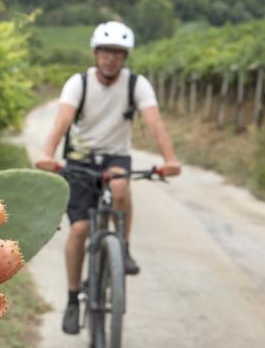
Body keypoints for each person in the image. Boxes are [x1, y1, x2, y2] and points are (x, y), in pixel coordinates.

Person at [34, 21, 182, 334]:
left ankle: (123, 249)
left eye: (117, 52)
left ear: (125, 56)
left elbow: (155, 123)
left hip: (116, 156)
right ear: (95, 52)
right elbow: (62, 121)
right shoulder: (79, 82)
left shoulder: (136, 84)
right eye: (105, 51)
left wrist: (170, 159)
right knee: (79, 230)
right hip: (81, 157)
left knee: (119, 185)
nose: (110, 58)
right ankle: (73, 299)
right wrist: (47, 154)